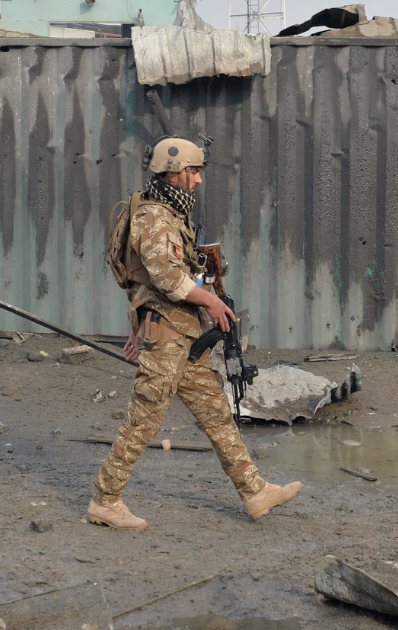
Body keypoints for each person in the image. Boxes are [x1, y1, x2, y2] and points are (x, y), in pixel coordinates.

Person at [87, 137, 302, 530]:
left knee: (217, 415)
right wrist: (211, 302)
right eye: (195, 172)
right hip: (167, 338)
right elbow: (165, 277)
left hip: (182, 336)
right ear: (176, 172)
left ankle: (254, 491)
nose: (199, 180)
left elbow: (154, 278)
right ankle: (105, 500)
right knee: (142, 422)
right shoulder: (153, 217)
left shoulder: (171, 214)